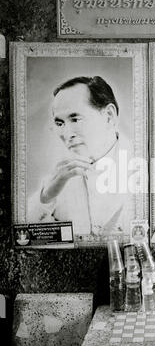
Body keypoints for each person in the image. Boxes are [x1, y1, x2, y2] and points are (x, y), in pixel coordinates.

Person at [28, 76, 131, 237]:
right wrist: (46, 197)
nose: (67, 134)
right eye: (60, 123)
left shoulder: (147, 167)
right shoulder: (57, 177)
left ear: (109, 116)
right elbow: (25, 237)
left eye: (75, 119)